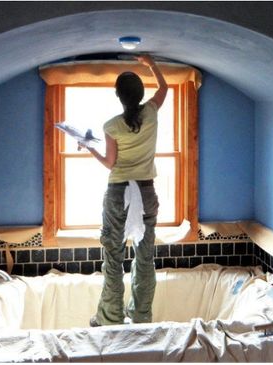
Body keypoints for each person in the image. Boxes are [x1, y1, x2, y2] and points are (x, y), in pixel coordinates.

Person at [78, 54, 168, 326]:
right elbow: (163, 89)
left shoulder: (111, 125)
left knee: (114, 257)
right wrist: (151, 64)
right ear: (140, 94)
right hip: (146, 192)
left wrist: (89, 146)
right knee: (144, 257)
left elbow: (110, 163)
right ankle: (140, 316)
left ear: (118, 96)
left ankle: (111, 317)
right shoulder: (151, 112)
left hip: (118, 193)